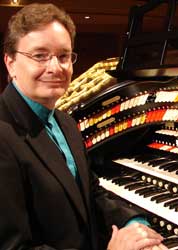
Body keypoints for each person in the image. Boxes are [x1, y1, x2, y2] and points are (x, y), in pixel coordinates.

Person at [0, 3, 168, 250]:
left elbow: (90, 193)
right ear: (10, 62)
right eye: (39, 55)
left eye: (63, 56)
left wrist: (134, 225)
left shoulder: (65, 121)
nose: (55, 68)